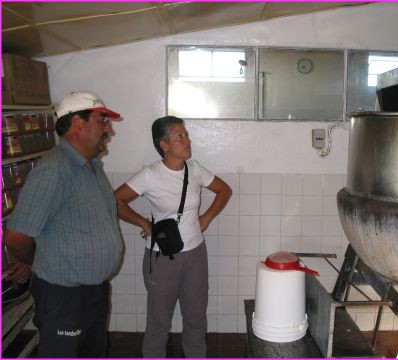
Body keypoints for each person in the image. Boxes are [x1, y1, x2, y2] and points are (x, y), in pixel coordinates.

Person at [3, 91, 123, 358]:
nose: (108, 128)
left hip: (94, 290)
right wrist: (36, 260)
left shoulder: (91, 165)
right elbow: (15, 236)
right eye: (102, 120)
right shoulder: (54, 170)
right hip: (65, 296)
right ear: (77, 124)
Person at [114, 115, 232, 357]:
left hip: (195, 254)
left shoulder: (195, 169)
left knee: (196, 317)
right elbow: (115, 200)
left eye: (186, 134)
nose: (187, 140)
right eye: (180, 136)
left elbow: (224, 190)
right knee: (159, 322)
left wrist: (206, 219)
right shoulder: (150, 174)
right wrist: (143, 223)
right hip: (162, 258)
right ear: (164, 145)